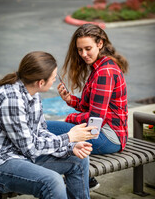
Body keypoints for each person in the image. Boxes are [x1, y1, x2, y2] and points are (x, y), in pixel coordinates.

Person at [0, 51, 98, 199]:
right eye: (54, 77)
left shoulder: (33, 92)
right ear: (41, 82)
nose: (55, 80)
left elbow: (41, 132)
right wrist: (69, 137)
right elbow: (31, 148)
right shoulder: (11, 100)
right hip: (2, 163)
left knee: (79, 159)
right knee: (52, 181)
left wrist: (71, 146)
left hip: (22, 155)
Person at [46, 24, 129, 190]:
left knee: (44, 127)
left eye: (88, 48)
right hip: (104, 132)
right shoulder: (100, 67)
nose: (83, 54)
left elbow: (96, 119)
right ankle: (85, 178)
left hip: (109, 137)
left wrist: (70, 118)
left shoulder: (104, 72)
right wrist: (70, 100)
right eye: (80, 50)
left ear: (100, 43)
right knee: (54, 132)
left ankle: (59, 179)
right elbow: (89, 107)